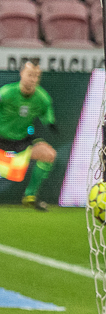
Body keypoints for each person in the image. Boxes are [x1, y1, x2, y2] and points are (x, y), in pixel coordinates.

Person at [0, 59, 56, 210]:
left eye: (37, 76)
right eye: (30, 75)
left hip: (21, 142)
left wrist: (50, 122)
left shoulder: (42, 97)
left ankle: (30, 196)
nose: (33, 79)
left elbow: (47, 114)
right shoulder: (6, 93)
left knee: (49, 154)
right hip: (1, 142)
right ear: (21, 73)